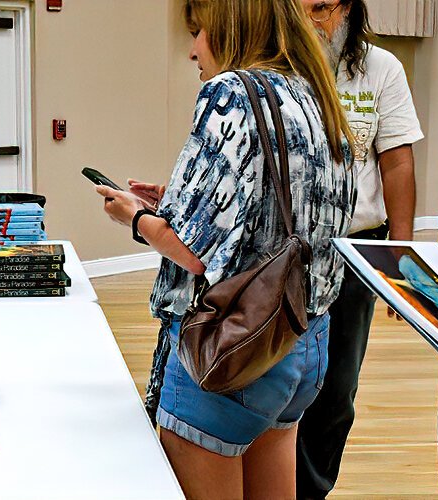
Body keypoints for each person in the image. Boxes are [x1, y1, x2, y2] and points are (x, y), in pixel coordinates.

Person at [94, 1, 354, 497]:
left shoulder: (231, 93)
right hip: (301, 338)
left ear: (232, 25)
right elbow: (285, 216)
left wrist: (136, 217)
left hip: (232, 346)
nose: (192, 50)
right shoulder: (313, 93)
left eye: (198, 32)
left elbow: (193, 251)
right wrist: (178, 200)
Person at [290, 1, 424, 497]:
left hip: (354, 248)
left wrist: (399, 258)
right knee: (275, 380)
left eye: (321, 8)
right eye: (298, 9)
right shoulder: (271, 65)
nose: (310, 21)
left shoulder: (380, 69)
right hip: (283, 248)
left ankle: (312, 489)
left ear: (347, 7)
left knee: (336, 389)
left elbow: (397, 162)